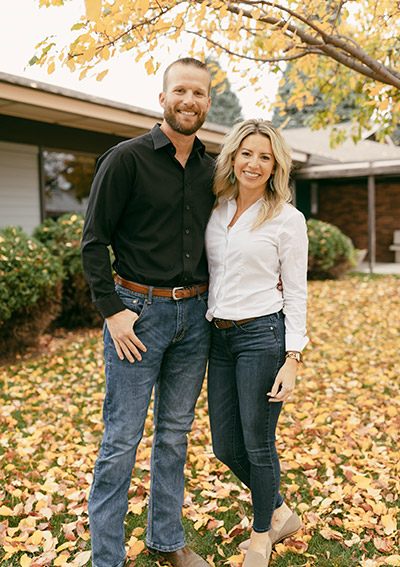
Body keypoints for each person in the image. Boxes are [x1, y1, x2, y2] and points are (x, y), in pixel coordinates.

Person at [81, 58, 215, 567]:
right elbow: (94, 243)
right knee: (120, 440)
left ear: (208, 102)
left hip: (194, 317)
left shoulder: (212, 169)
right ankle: (108, 558)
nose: (189, 101)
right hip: (137, 317)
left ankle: (167, 540)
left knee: (175, 437)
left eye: (199, 93)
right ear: (162, 98)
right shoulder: (126, 159)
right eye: (180, 91)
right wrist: (112, 311)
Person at [205, 119, 308, 567]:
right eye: (247, 153)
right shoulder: (216, 207)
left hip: (262, 336)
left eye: (264, 157)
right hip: (218, 337)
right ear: (233, 156)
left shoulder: (288, 219)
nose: (254, 163)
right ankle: (281, 511)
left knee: (258, 442)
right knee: (225, 447)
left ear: (275, 166)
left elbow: (298, 291)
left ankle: (263, 534)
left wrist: (293, 357)